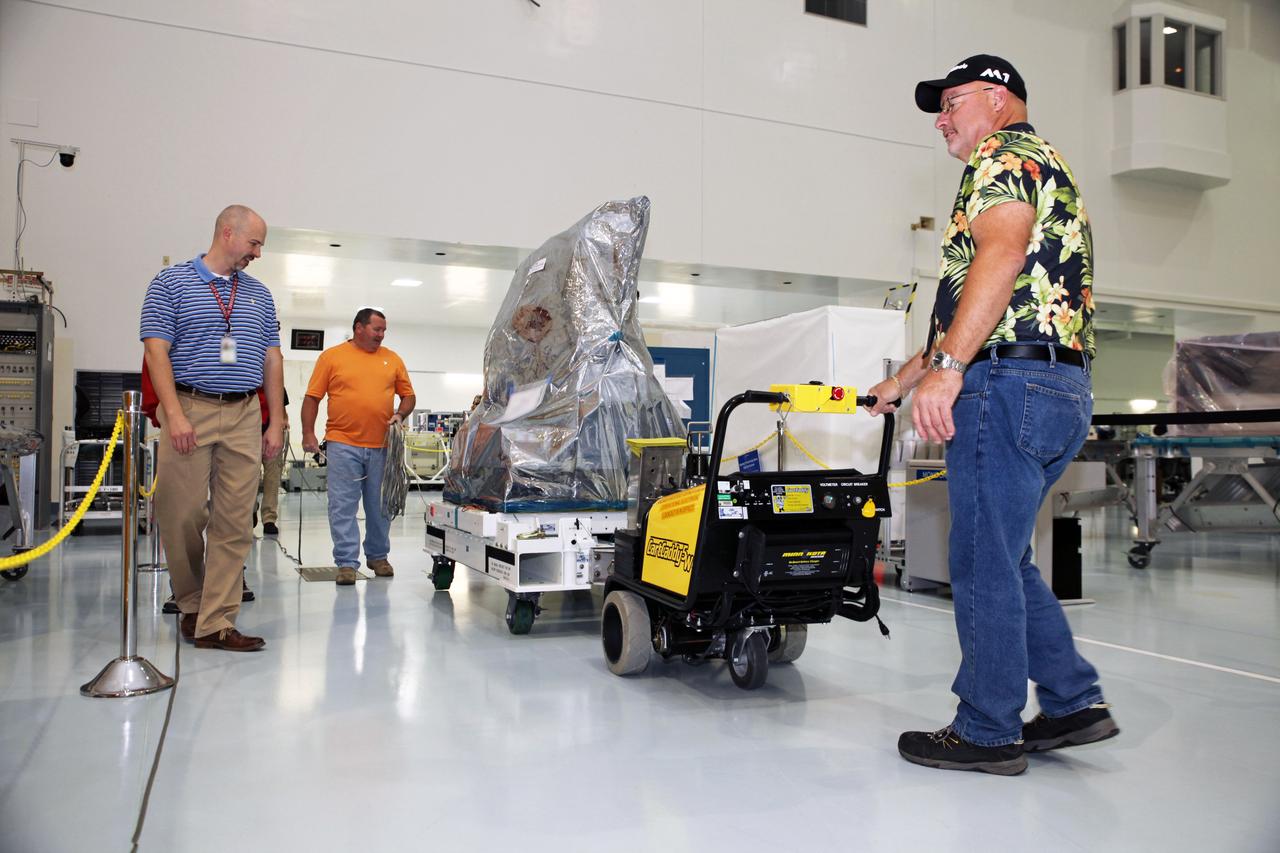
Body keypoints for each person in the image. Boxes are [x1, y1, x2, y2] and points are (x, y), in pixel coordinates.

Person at [866, 55, 1116, 775]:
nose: (941, 119)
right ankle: (1072, 701)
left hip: (1005, 385)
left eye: (952, 103)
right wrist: (905, 379)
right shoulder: (1041, 162)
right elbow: (997, 295)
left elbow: (999, 259)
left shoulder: (1002, 155)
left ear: (1000, 99)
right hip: (1055, 387)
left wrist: (947, 372)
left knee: (978, 558)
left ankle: (986, 726)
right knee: (1006, 557)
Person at [140, 204, 284, 652]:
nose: (257, 253)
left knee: (235, 520)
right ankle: (190, 602)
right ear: (227, 233)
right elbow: (155, 351)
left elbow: (272, 358)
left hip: (243, 412)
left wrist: (274, 419)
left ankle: (216, 620)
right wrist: (174, 414)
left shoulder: (259, 295)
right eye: (253, 243)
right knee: (181, 513)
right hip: (189, 406)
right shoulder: (171, 283)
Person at [301, 309, 415, 585]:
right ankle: (346, 563)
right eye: (377, 329)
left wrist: (400, 414)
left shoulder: (392, 358)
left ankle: (377, 556)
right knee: (342, 505)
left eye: (384, 330)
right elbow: (312, 398)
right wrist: (308, 433)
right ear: (359, 328)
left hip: (382, 446)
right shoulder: (332, 357)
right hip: (343, 444)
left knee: (380, 506)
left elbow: (408, 396)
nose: (381, 335)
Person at [257, 386, 290, 536]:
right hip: (249, 432)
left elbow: (282, 408)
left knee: (273, 476)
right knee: (249, 477)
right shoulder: (248, 379)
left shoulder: (276, 383)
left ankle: (269, 518)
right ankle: (250, 510)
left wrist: (284, 422)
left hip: (272, 434)